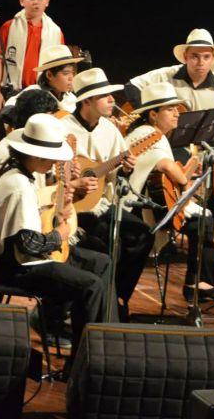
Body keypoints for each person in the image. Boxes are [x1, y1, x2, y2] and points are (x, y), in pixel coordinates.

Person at [0, 113, 112, 364]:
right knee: (90, 286)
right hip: (16, 267)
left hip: (26, 259)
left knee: (101, 262)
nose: (55, 162)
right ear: (38, 156)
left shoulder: (18, 173)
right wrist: (59, 235)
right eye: (52, 157)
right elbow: (28, 243)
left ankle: (104, 344)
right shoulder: (18, 185)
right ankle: (83, 364)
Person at [60, 68, 151, 319]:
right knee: (108, 246)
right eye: (105, 96)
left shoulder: (110, 130)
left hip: (100, 203)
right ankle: (81, 307)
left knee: (142, 235)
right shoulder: (62, 128)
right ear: (86, 100)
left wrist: (125, 169)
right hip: (73, 208)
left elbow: (115, 175)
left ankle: (117, 297)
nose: (113, 100)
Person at [125, 82, 214, 302]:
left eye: (176, 108)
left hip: (149, 202)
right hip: (139, 209)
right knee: (203, 221)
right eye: (169, 109)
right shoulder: (150, 134)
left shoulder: (148, 132)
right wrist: (186, 174)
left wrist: (190, 168)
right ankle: (198, 283)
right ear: (153, 114)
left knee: (203, 220)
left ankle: (199, 281)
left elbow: (169, 178)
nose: (176, 114)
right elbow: (167, 169)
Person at [0, 0, 65, 103]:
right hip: (13, 92)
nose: (36, 2)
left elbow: (59, 68)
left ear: (47, 1)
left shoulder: (55, 32)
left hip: (43, 94)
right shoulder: (8, 27)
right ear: (22, 0)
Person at [126, 28, 214, 112]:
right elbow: (131, 86)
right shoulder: (167, 75)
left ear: (212, 59)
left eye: (206, 57)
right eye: (194, 56)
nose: (201, 62)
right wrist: (148, 114)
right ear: (185, 57)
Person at [2, 43, 82, 116]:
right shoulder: (33, 92)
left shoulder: (72, 99)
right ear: (49, 75)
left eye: (73, 73)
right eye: (66, 73)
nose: (71, 78)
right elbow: (6, 111)